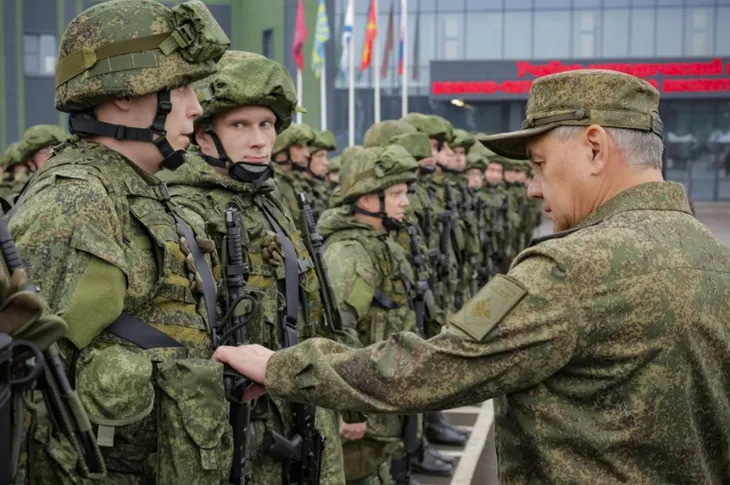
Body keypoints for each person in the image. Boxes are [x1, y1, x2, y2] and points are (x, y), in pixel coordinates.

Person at [213, 69, 730, 485]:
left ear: (595, 148)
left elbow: (435, 366)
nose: (532, 188)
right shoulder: (713, 256)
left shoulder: (574, 267)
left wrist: (284, 367)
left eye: (540, 164)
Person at [9, 1, 232, 483]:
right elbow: (31, 395)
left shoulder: (136, 188)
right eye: (182, 86)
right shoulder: (75, 203)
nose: (196, 106)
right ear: (125, 95)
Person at [160, 50, 346, 485]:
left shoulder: (271, 202)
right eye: (240, 126)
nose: (261, 140)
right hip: (241, 426)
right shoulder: (187, 211)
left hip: (300, 408)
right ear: (205, 137)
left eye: (266, 125)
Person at [317, 145, 420, 485]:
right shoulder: (350, 253)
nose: (405, 202)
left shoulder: (380, 242)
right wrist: (351, 410)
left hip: (379, 399)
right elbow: (337, 333)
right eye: (396, 193)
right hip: (362, 411)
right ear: (365, 199)